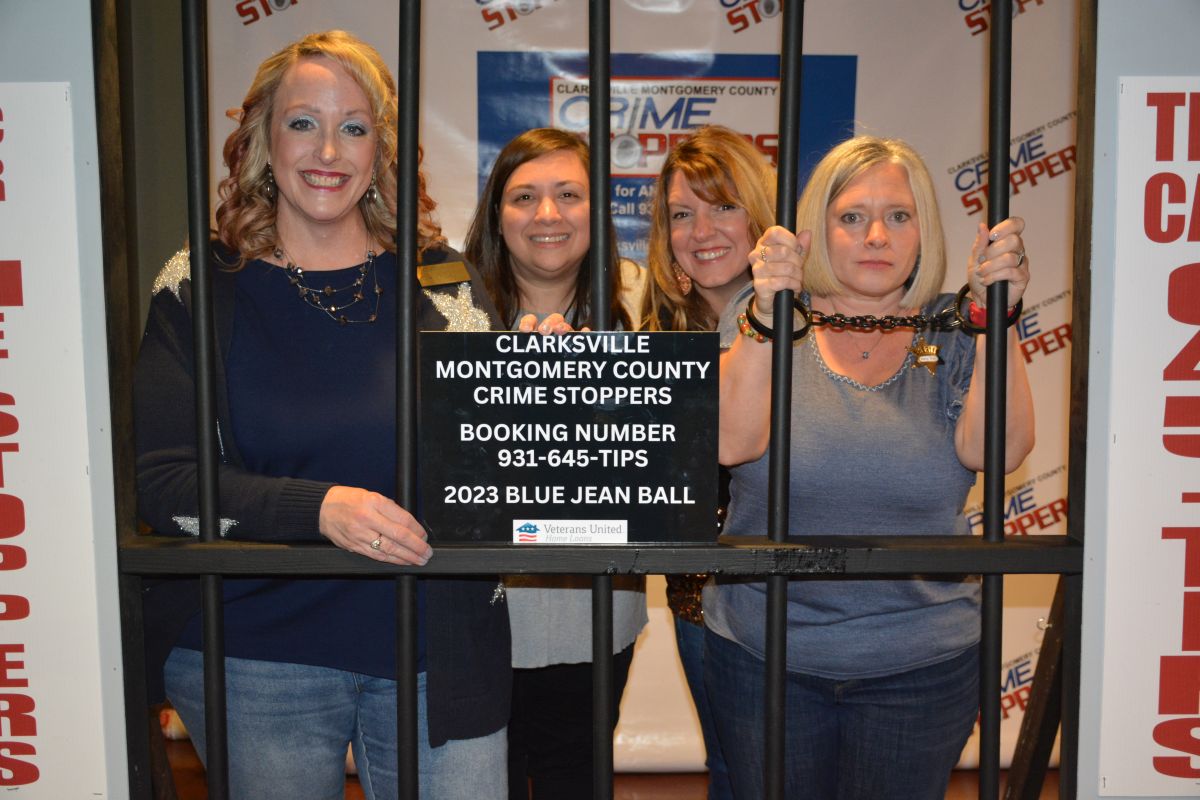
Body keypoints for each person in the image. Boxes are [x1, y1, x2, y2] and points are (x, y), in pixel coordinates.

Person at [134, 31, 510, 800]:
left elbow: (495, 470)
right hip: (254, 651)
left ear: (382, 149)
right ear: (262, 137)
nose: (329, 151)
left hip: (437, 645)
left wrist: (546, 392)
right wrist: (321, 509)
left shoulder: (443, 282)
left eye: (355, 127)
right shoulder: (201, 286)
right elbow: (166, 485)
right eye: (303, 122)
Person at [706, 135, 1034, 799]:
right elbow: (729, 444)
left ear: (924, 230)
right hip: (764, 654)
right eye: (852, 216)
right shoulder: (764, 314)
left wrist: (994, 319)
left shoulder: (955, 327)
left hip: (920, 663)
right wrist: (768, 312)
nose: (876, 236)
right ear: (814, 231)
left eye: (899, 216)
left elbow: (997, 451)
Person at [463, 127, 648, 799]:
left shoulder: (642, 309)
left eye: (569, 195)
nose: (547, 214)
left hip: (594, 615)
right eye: (524, 197)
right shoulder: (446, 312)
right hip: (476, 614)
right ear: (496, 216)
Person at [639, 124, 777, 800]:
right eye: (681, 214)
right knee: (732, 777)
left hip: (802, 605)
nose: (702, 231)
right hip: (699, 607)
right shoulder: (658, 337)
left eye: (723, 206)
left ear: (759, 215)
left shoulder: (813, 326)